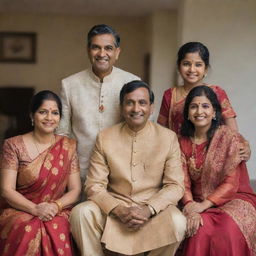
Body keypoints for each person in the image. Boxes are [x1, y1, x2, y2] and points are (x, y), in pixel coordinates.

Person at [70, 80, 186, 256]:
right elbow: (94, 185)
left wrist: (149, 209)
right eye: (130, 102)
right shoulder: (105, 137)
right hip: (114, 212)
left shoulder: (168, 138)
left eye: (142, 103)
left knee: (178, 221)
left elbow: (176, 186)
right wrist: (118, 209)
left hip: (152, 212)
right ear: (121, 107)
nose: (136, 108)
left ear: (151, 108)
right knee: (81, 212)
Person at [0, 90, 81, 255]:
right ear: (32, 115)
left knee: (58, 226)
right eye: (43, 112)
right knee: (26, 227)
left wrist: (54, 206)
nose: (49, 117)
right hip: (21, 208)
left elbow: (75, 190)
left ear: (59, 118)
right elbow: (6, 190)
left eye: (55, 113)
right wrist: (35, 209)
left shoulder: (68, 146)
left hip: (55, 210)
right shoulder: (13, 145)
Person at [179, 85, 256, 256]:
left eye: (205, 106)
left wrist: (203, 206)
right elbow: (182, 181)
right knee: (198, 231)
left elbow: (231, 183)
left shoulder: (228, 137)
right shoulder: (181, 142)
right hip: (197, 201)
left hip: (234, 198)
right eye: (194, 106)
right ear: (187, 114)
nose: (200, 111)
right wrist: (191, 206)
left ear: (214, 112)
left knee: (229, 229)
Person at [57, 24, 140, 180]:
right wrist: (69, 170)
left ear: (117, 52)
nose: (102, 53)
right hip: (80, 173)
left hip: (121, 173)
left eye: (108, 48)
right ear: (88, 51)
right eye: (96, 47)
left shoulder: (132, 82)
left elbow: (141, 130)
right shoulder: (70, 85)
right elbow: (62, 133)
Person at [157, 42, 250, 161]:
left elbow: (232, 131)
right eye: (186, 64)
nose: (192, 69)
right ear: (179, 67)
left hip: (214, 157)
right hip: (180, 157)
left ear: (205, 69)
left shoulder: (217, 93)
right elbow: (161, 131)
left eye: (198, 64)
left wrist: (243, 145)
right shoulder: (170, 95)